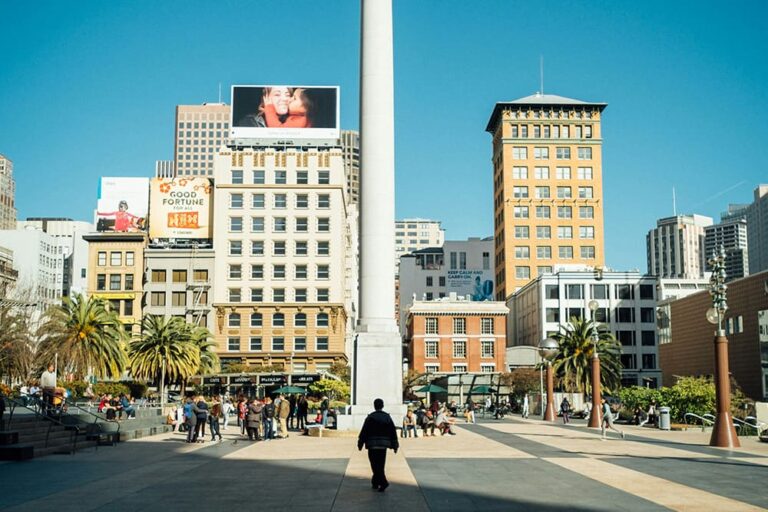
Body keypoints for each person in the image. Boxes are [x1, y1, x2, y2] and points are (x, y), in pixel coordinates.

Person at [357, 398, 399, 492]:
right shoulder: (387, 417)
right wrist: (395, 444)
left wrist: (360, 442)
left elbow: (364, 431)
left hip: (372, 444)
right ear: (382, 405)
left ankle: (383, 482)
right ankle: (375, 482)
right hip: (383, 444)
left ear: (374, 406)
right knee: (380, 464)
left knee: (374, 464)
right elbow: (392, 431)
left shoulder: (370, 417)